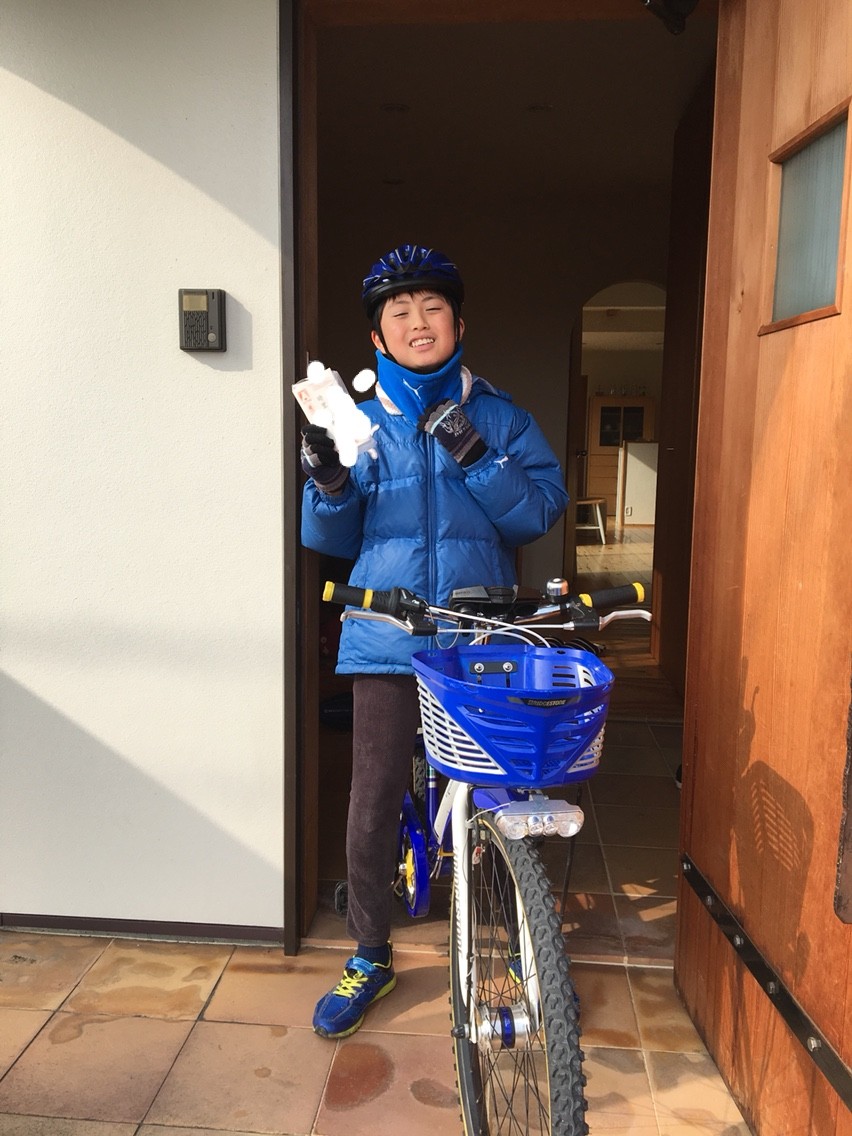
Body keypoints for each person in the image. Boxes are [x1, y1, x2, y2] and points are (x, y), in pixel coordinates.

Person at [300, 243, 569, 1038]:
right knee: (373, 796)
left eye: (433, 308)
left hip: (477, 633)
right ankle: (370, 953)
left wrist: (474, 453)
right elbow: (329, 538)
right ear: (377, 337)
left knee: (500, 793)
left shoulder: (501, 415)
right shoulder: (357, 422)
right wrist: (330, 481)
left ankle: (515, 943)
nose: (418, 322)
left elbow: (537, 511)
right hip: (386, 633)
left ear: (458, 324)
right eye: (400, 312)